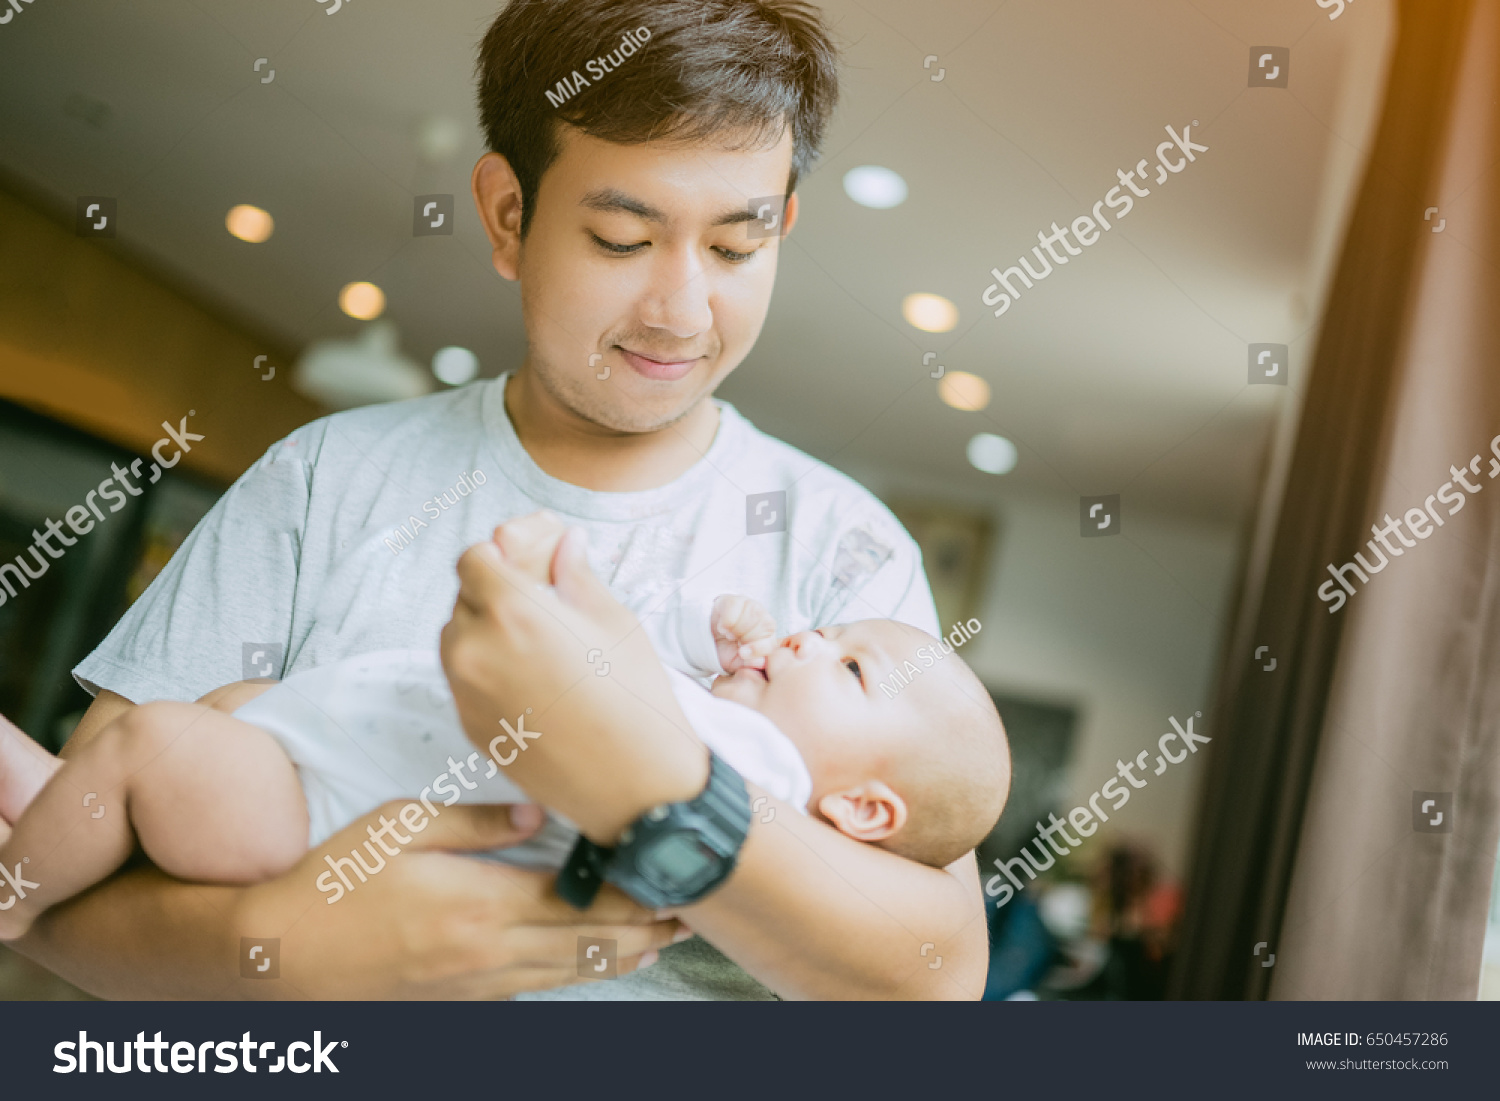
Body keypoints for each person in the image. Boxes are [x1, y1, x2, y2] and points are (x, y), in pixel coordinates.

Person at [6, 0, 993, 999]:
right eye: (619, 238)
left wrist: (649, 781)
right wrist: (273, 949)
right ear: (509, 216)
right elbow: (60, 861)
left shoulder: (844, 555)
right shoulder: (324, 482)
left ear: (782, 223)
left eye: (735, 250)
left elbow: (934, 976)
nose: (682, 310)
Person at [0, 515, 1010, 947]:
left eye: (846, 666)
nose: (802, 641)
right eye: (821, 630)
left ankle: (13, 911)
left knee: (135, 757)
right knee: (121, 771)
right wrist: (733, 657)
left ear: (865, 807)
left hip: (315, 814)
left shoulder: (748, 782)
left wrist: (559, 585)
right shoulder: (727, 732)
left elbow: (610, 719)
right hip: (302, 746)